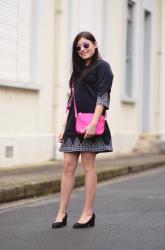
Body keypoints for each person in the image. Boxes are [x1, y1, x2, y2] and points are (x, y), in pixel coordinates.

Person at [52, 31, 114, 229]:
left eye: (86, 45)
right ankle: (62, 212)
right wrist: (64, 125)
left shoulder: (103, 67)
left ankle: (88, 213)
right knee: (68, 167)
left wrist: (95, 122)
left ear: (95, 44)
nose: (82, 50)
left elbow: (103, 96)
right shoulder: (77, 71)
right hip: (73, 124)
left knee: (88, 166)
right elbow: (72, 100)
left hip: (91, 123)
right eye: (78, 47)